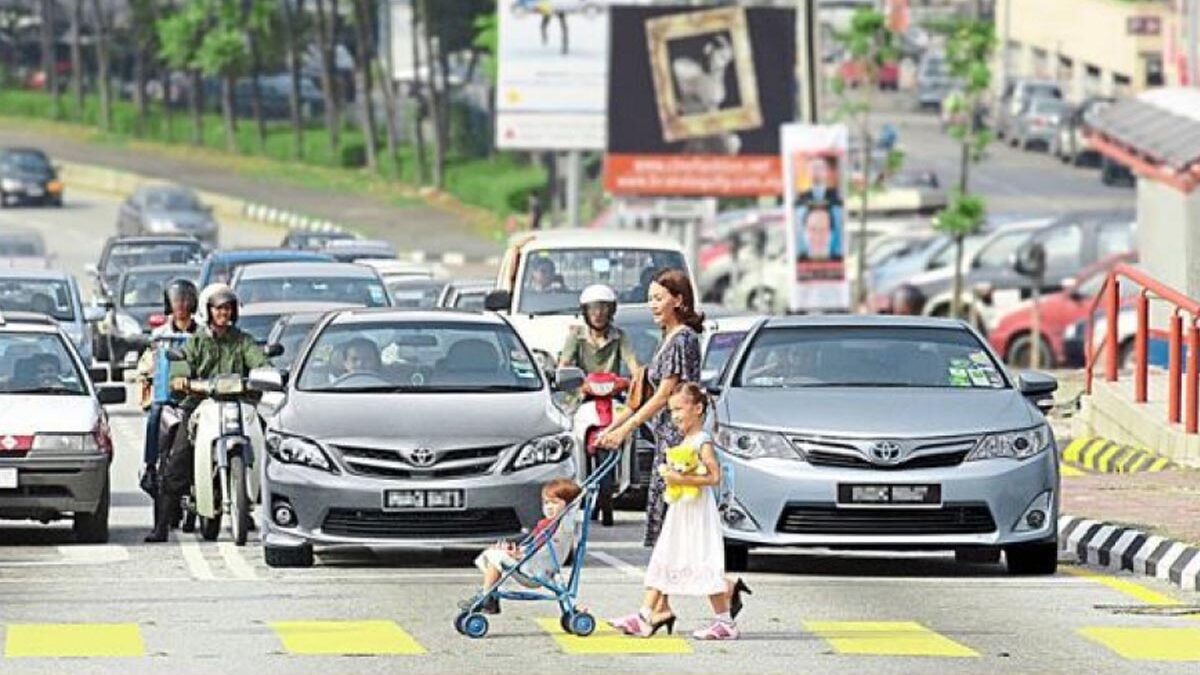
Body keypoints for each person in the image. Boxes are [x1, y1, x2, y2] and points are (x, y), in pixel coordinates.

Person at [609, 383, 750, 641]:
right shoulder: (685, 440)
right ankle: (644, 614)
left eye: (679, 409)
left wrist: (679, 478)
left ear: (698, 409)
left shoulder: (701, 441)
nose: (674, 416)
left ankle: (724, 621)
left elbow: (714, 476)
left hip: (697, 510)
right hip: (682, 508)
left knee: (704, 560)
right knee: (667, 554)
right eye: (671, 410)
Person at [145, 284, 268, 543]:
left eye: (227, 308)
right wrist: (181, 379)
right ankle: (161, 524)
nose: (223, 313)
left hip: (238, 403)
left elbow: (259, 361)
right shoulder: (199, 340)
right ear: (208, 311)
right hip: (201, 404)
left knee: (270, 440)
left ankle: (264, 507)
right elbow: (182, 362)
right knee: (178, 456)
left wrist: (266, 373)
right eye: (218, 308)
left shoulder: (243, 340)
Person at [559, 284, 639, 527]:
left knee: (633, 430)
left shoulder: (620, 336)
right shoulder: (576, 335)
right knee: (567, 431)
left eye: (603, 308)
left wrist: (636, 379)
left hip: (612, 397)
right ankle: (572, 478)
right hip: (582, 397)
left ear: (611, 310)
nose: (598, 313)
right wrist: (574, 382)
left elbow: (632, 363)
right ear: (585, 311)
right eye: (593, 308)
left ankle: (631, 476)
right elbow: (564, 364)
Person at [465, 478, 582, 615]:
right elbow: (535, 546)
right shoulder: (547, 524)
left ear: (568, 506)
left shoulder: (562, 526)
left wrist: (520, 555)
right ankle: (490, 595)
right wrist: (517, 552)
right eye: (546, 503)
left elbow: (542, 551)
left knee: (495, 556)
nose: (549, 507)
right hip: (532, 564)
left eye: (555, 503)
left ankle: (486, 597)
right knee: (490, 553)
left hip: (535, 570)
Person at [135, 279, 200, 504]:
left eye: (185, 299)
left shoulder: (202, 333)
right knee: (154, 417)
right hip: (166, 396)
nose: (181, 305)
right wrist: (146, 373)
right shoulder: (159, 335)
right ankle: (150, 467)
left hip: (196, 396)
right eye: (176, 300)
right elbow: (147, 361)